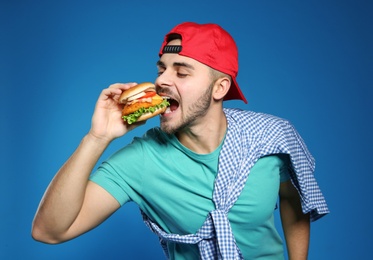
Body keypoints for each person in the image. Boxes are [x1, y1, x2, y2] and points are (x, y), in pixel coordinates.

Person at [32, 22, 329, 259]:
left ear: (219, 88)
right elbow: (49, 231)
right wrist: (97, 138)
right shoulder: (142, 160)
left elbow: (293, 201)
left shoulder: (271, 138)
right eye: (161, 68)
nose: (161, 80)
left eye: (181, 72)